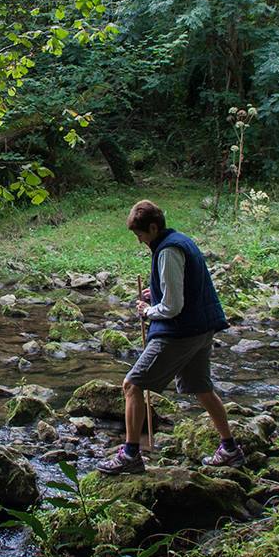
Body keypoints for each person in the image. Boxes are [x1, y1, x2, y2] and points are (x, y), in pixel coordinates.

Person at [97, 200, 238, 475]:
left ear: (152, 227)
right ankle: (230, 448)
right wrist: (156, 293)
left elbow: (173, 307)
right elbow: (181, 286)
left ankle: (130, 454)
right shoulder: (182, 241)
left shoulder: (168, 251)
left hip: (181, 332)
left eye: (140, 235)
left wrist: (149, 310)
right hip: (201, 328)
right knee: (202, 387)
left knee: (132, 385)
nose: (140, 241)